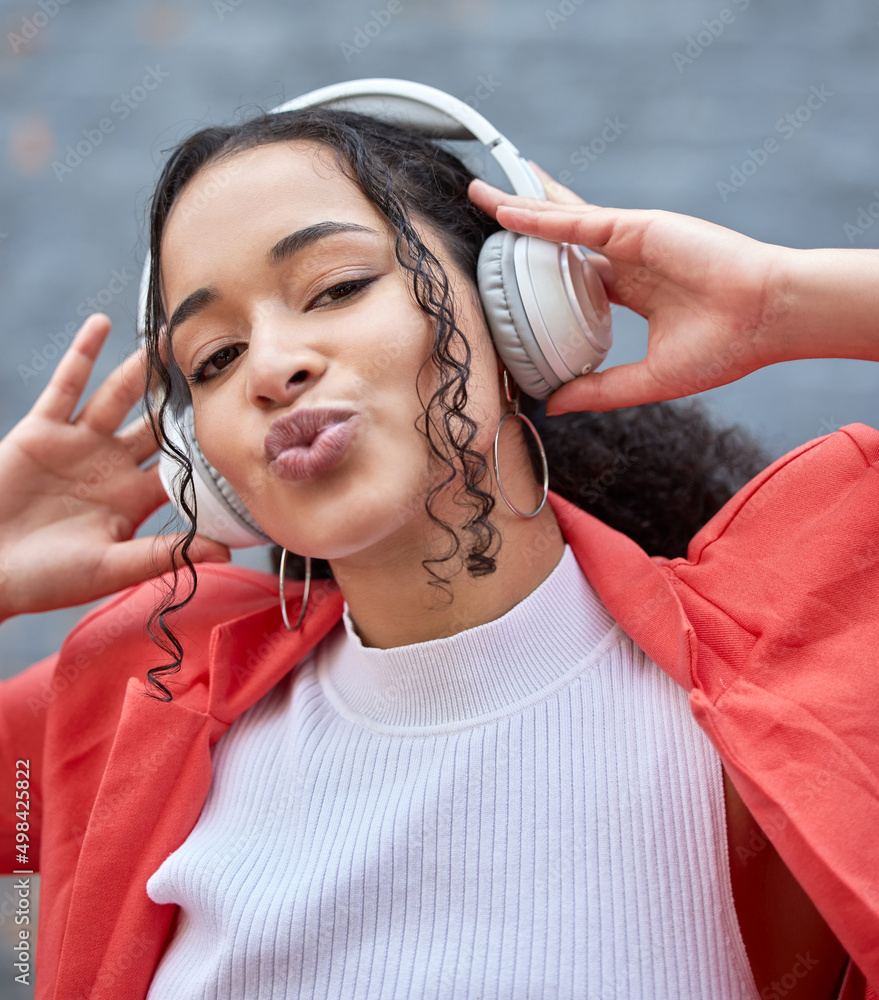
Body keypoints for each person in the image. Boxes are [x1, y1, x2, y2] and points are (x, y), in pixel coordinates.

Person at [0, 104, 876, 1000]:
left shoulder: (798, 655)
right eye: (216, 357)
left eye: (336, 287)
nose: (271, 367)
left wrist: (780, 300)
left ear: (519, 311)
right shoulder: (139, 694)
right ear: (204, 461)